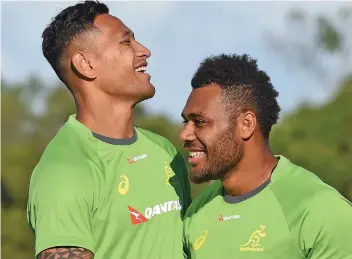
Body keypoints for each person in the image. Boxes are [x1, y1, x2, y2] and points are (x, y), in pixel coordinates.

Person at [26, 1, 191, 258]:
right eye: (126, 42)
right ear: (85, 64)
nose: (144, 51)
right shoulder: (64, 169)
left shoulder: (165, 151)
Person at [180, 53, 352, 259]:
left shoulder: (320, 209)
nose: (185, 135)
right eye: (185, 122)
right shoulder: (196, 213)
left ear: (246, 124)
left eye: (199, 122)